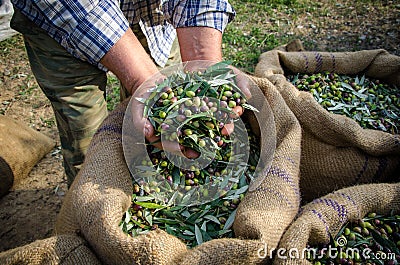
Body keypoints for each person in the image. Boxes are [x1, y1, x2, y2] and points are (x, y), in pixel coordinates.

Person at [10, 0, 237, 187]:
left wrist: (203, 63)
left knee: (155, 141)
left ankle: (154, 194)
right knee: (90, 147)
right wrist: (142, 79)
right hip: (60, 19)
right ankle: (95, 211)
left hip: (153, 16)